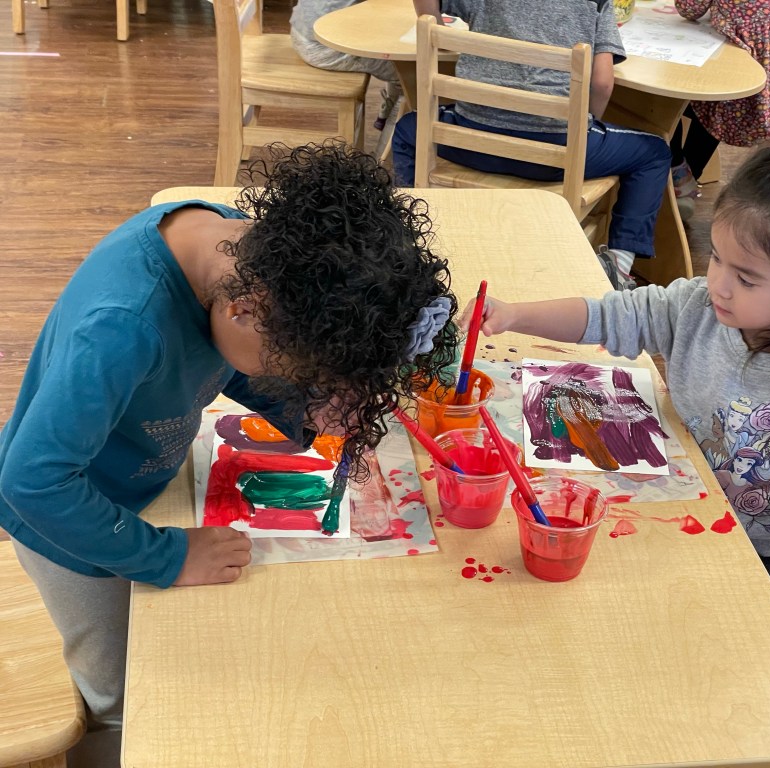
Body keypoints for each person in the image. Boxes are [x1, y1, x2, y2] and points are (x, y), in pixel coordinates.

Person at [0, 142, 459, 764]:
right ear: (244, 309)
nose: (291, 378)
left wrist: (304, 411)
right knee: (124, 690)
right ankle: (112, 744)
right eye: (292, 370)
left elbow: (232, 359)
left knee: (174, 640)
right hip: (66, 527)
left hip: (139, 479)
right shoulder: (121, 327)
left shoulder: (243, 255)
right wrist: (166, 557)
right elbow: (31, 481)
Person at [459, 148, 770, 602]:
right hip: (675, 498)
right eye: (716, 258)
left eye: (746, 279)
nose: (718, 284)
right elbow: (610, 316)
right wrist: (515, 315)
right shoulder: (696, 306)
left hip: (754, 555)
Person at [391, 0, 672, 290]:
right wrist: (583, 128)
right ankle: (619, 267)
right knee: (654, 152)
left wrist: (434, 23)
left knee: (408, 129)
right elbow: (602, 83)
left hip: (472, 142)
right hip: (554, 156)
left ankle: (412, 236)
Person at [670, 0, 770, 220]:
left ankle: (678, 173)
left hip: (755, 103)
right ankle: (687, 174)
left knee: (676, 99)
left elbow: (689, 8)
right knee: (711, 98)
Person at [290, 0, 406, 153]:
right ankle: (379, 159)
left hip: (303, 29)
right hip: (325, 46)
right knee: (410, 78)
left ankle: (387, 114)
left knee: (398, 45)